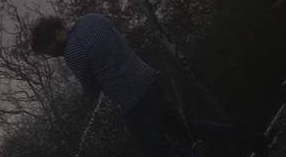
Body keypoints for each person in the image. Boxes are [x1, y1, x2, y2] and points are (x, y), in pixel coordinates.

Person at [30, 12, 267, 157]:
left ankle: (250, 141)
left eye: (48, 49)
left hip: (134, 103)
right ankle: (253, 139)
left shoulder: (73, 52)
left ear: (56, 36)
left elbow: (92, 90)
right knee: (187, 130)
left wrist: (87, 104)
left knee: (160, 152)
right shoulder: (92, 18)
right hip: (150, 82)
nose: (51, 55)